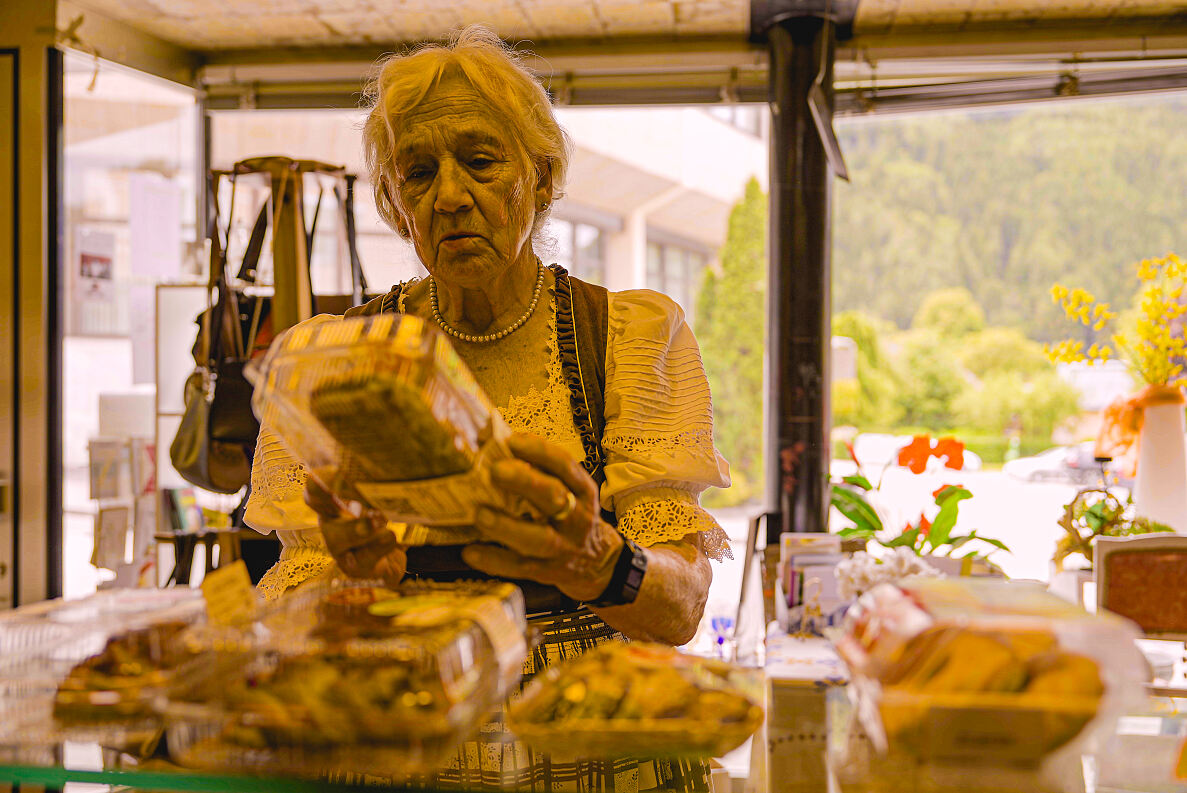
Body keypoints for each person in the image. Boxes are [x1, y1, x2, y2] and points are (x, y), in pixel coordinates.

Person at [245, 25, 731, 792]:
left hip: (599, 747)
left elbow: (680, 611)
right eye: (418, 172)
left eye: (479, 161)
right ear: (395, 203)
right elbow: (288, 626)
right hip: (407, 748)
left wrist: (593, 558)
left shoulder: (626, 337)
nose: (448, 196)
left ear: (540, 179)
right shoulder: (330, 360)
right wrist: (351, 591)